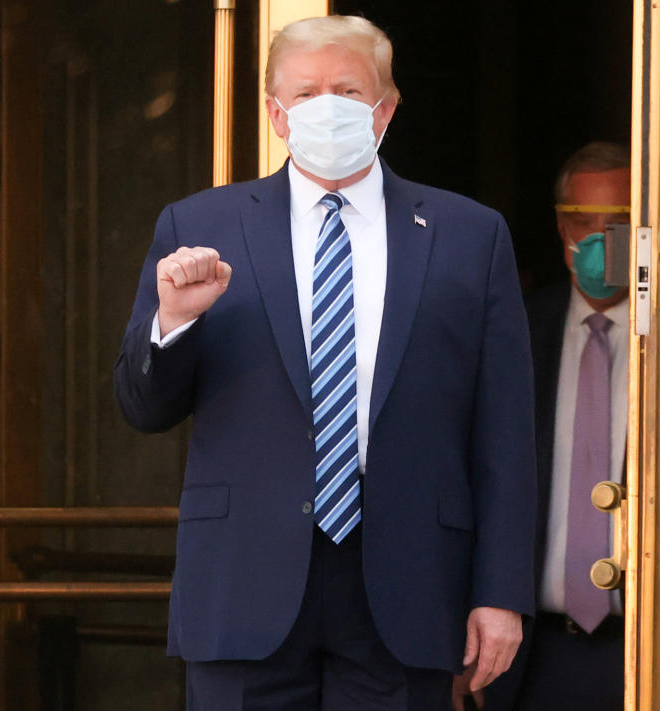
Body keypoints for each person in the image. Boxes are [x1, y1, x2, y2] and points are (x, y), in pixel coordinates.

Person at [114, 15, 537, 711]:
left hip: (408, 585)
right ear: (276, 116)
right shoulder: (200, 226)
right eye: (306, 94)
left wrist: (500, 593)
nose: (327, 106)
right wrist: (175, 320)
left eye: (347, 89)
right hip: (243, 583)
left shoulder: (470, 235)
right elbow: (142, 406)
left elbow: (505, 435)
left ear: (386, 109)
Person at [473, 142, 631, 711]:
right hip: (534, 657)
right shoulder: (516, 331)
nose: (594, 240)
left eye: (615, 225)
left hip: (653, 646)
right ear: (559, 227)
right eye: (580, 223)